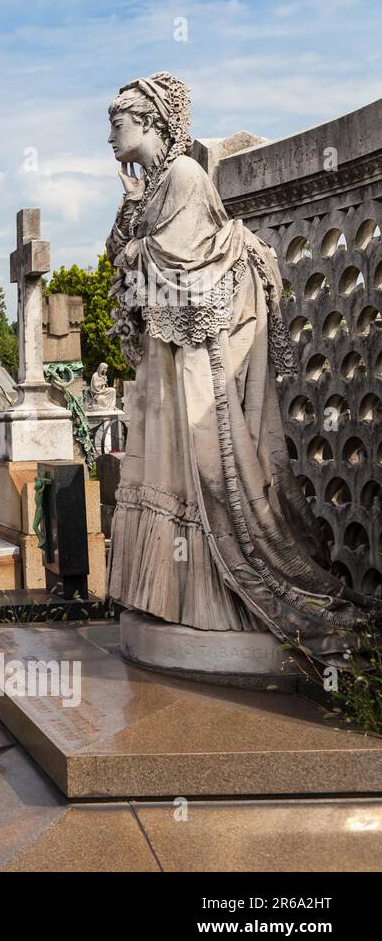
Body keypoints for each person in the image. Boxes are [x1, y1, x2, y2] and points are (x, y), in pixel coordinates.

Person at [104, 72, 367, 668]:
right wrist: (129, 211)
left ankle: (213, 599)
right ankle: (177, 600)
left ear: (149, 122)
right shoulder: (155, 185)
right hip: (169, 357)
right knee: (173, 474)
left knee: (205, 476)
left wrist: (134, 243)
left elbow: (177, 263)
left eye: (117, 124)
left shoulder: (185, 178)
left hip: (195, 354)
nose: (110, 137)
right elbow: (129, 256)